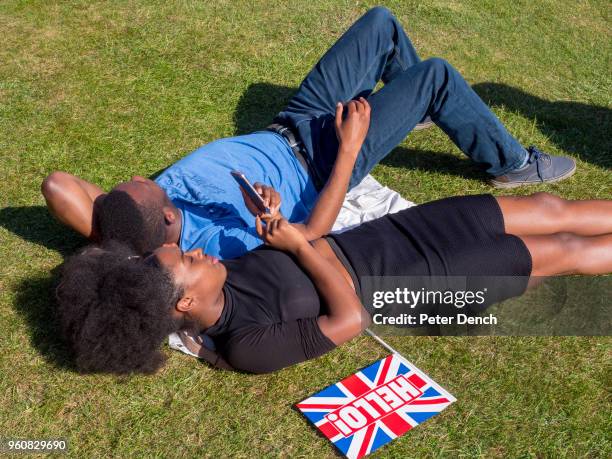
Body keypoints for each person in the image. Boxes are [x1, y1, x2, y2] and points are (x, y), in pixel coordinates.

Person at [55, 97, 611, 375]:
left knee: (544, 204)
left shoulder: (223, 272)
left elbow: (62, 187)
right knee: (562, 252)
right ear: (186, 300)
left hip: (394, 234)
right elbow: (349, 321)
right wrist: (300, 247)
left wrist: (280, 228)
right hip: (415, 288)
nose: (198, 250)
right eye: (189, 260)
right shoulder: (245, 345)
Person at [42, 7, 575, 258]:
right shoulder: (217, 243)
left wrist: (110, 239)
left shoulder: (137, 218)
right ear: (163, 216)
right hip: (323, 157)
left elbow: (58, 185)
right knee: (435, 73)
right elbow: (311, 234)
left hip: (292, 121)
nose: (141, 174)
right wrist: (347, 151)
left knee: (381, 25)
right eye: (143, 184)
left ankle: (421, 106)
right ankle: (508, 163)